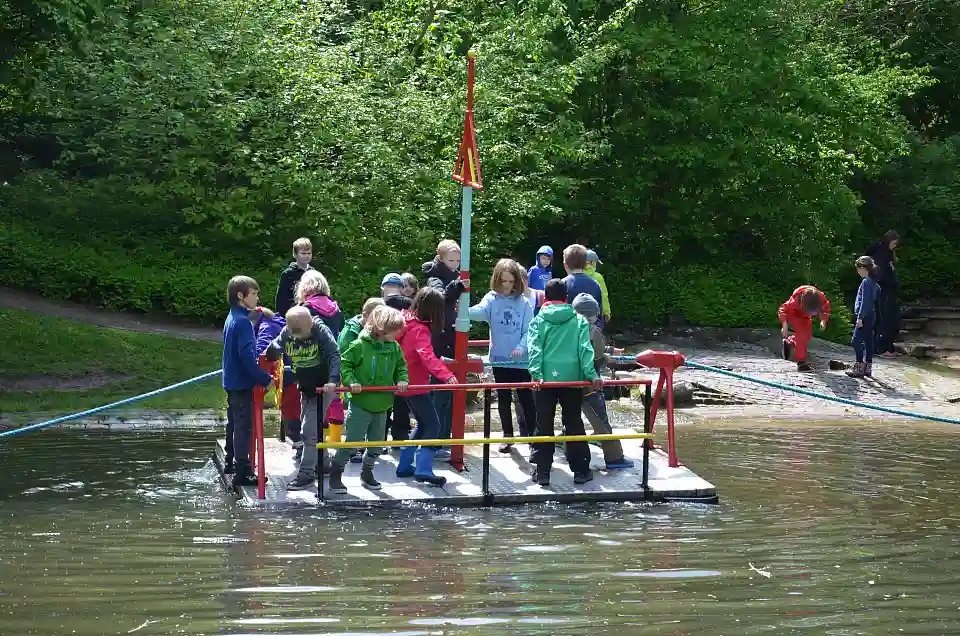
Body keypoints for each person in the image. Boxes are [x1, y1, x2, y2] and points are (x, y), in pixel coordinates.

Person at [528, 279, 603, 486]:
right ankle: (580, 471)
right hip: (572, 379)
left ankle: (542, 473)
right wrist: (591, 375)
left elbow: (535, 349)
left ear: (545, 297)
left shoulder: (538, 320)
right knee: (573, 423)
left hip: (545, 380)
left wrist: (536, 374)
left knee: (543, 424)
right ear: (567, 299)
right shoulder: (579, 320)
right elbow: (585, 350)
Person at [328, 305, 410, 493]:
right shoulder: (359, 345)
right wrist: (352, 381)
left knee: (376, 444)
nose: (398, 334)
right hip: (361, 403)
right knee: (352, 443)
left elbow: (401, 366)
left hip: (382, 404)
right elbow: (345, 364)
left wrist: (402, 379)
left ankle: (367, 472)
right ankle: (336, 473)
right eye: (395, 331)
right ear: (382, 329)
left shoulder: (394, 347)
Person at [265, 306, 340, 491]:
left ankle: (306, 474)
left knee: (308, 431)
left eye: (303, 334)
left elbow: (334, 355)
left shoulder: (321, 330)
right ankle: (324, 463)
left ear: (311, 323)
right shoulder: (287, 332)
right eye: (295, 335)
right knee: (311, 427)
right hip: (306, 386)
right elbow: (274, 347)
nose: (299, 338)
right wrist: (273, 350)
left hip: (324, 387)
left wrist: (332, 380)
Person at [468, 259, 536, 451]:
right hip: (500, 359)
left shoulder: (523, 303)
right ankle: (507, 435)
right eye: (504, 281)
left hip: (521, 361)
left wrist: (522, 348)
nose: (507, 286)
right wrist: (461, 307)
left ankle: (533, 438)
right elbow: (479, 312)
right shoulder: (491, 299)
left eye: (511, 282)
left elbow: (529, 330)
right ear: (497, 280)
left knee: (526, 400)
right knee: (503, 399)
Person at [396, 287, 459, 485]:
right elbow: (427, 356)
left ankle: (405, 466)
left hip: (405, 382)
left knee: (423, 424)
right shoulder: (420, 330)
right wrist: (447, 376)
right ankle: (423, 469)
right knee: (434, 424)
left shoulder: (405, 321)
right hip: (416, 384)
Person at [222, 276, 274, 488]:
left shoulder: (233, 317)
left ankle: (230, 462)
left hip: (231, 381)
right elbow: (247, 358)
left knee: (234, 423)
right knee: (244, 428)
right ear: (241, 296)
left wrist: (257, 312)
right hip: (242, 382)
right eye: (254, 293)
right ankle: (243, 472)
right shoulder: (243, 323)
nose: (257, 297)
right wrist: (265, 378)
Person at [571, 293, 634, 469]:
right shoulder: (594, 330)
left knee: (572, 419)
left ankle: (566, 446)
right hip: (590, 384)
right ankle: (614, 458)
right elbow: (597, 356)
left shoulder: (568, 328)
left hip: (569, 382)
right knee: (601, 420)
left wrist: (611, 350)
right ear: (590, 314)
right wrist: (609, 357)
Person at [422, 239, 468, 457]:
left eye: (457, 260)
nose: (455, 264)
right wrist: (457, 286)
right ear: (440, 258)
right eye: (451, 260)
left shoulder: (454, 275)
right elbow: (439, 299)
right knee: (439, 391)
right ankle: (435, 438)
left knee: (449, 392)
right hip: (440, 338)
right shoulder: (434, 277)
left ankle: (444, 435)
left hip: (451, 336)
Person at [297, 269, 346, 440]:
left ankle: (312, 449)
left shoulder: (305, 310)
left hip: (311, 363)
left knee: (309, 406)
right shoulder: (336, 309)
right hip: (332, 363)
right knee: (331, 403)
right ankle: (328, 442)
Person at [252, 307, 302, 460]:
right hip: (294, 373)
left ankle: (302, 446)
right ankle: (302, 445)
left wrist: (254, 362)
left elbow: (263, 348)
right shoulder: (276, 322)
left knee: (291, 412)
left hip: (289, 376)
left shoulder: (266, 327)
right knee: (296, 411)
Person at [778, 285, 831, 373]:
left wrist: (823, 321)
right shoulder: (793, 302)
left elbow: (825, 309)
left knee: (807, 336)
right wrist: (784, 324)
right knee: (802, 335)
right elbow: (783, 310)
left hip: (805, 315)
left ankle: (789, 343)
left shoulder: (820, 298)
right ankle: (801, 363)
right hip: (794, 314)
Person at [867, 230, 902, 358]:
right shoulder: (881, 254)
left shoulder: (887, 254)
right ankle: (880, 348)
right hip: (883, 292)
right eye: (894, 243)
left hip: (889, 293)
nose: (895, 246)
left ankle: (888, 347)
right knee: (883, 320)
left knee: (892, 320)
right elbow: (879, 274)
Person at [847, 256, 881, 378]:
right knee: (868, 341)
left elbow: (865, 302)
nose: (857, 272)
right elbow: (878, 291)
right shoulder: (873, 282)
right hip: (871, 314)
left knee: (855, 341)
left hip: (865, 315)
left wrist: (860, 318)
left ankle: (859, 366)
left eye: (858, 269)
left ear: (862, 268)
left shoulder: (866, 282)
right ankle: (868, 366)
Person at [560, 244, 603, 328]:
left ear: (565, 265)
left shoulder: (562, 284)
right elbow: (599, 314)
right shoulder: (595, 284)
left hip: (568, 333)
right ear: (585, 265)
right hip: (589, 333)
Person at [275, 237, 314, 316]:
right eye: (303, 253)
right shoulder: (288, 273)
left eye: (309, 253)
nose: (306, 256)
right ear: (295, 254)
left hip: (311, 313)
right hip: (293, 314)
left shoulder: (313, 273)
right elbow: (281, 298)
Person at [584, 249, 612, 323]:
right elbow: (603, 295)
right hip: (596, 313)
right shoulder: (598, 277)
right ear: (592, 262)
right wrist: (606, 312)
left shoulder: (575, 275)